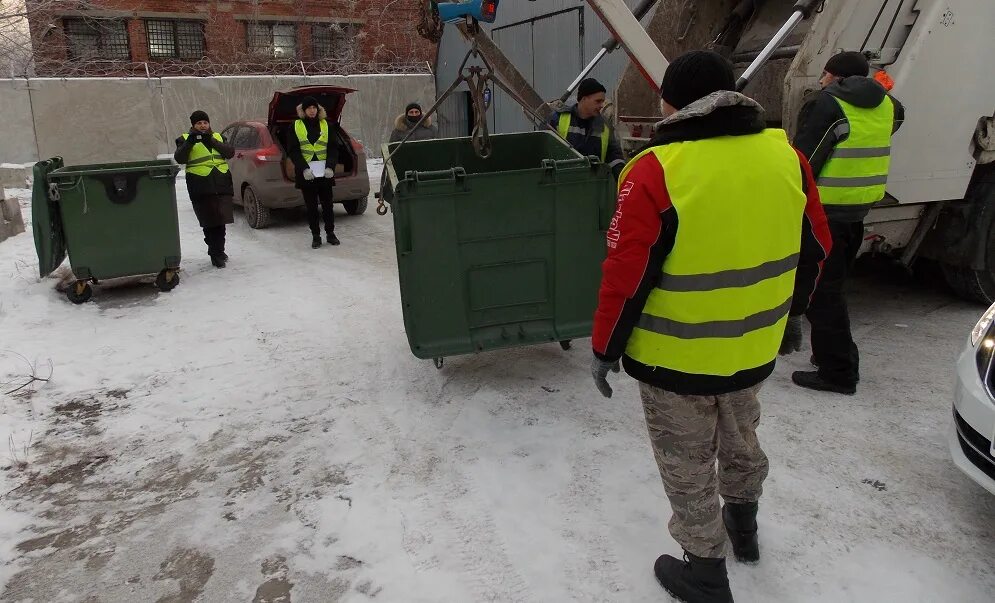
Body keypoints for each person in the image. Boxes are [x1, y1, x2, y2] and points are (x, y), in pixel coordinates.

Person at [590, 51, 832, 602]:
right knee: (743, 439)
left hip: (674, 359)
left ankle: (703, 572)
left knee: (687, 464)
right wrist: (792, 315)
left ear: (672, 105)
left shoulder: (656, 170)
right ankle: (743, 531)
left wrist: (605, 347)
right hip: (752, 347)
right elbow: (817, 247)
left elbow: (626, 275)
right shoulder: (786, 158)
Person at [792, 51, 905, 394]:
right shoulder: (889, 105)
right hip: (858, 210)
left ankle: (838, 372)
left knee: (822, 292)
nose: (822, 80)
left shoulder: (828, 105)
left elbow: (804, 161)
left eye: (826, 73)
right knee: (834, 285)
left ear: (838, 77)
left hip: (825, 214)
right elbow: (895, 121)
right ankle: (828, 354)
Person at [174, 110, 235, 268]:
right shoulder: (185, 139)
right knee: (209, 222)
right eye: (199, 123)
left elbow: (230, 152)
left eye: (205, 122)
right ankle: (214, 253)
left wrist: (212, 141)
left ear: (209, 123)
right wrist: (191, 142)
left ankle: (220, 250)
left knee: (221, 220)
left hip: (221, 183)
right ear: (193, 125)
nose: (202, 126)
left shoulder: (218, 137)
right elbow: (180, 158)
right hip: (201, 185)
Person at [288, 96, 340, 249]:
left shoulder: (326, 125)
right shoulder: (295, 126)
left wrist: (330, 166)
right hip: (307, 173)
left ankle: (330, 234)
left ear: (318, 109)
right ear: (304, 111)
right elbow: (293, 150)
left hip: (324, 172)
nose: (312, 110)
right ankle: (316, 236)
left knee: (328, 205)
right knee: (311, 207)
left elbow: (333, 148)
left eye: (314, 107)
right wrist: (303, 168)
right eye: (309, 108)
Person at [548, 78, 625, 178]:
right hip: (562, 183)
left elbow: (614, 156)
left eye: (602, 101)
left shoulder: (604, 126)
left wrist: (622, 177)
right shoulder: (558, 119)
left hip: (593, 186)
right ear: (584, 99)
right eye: (598, 101)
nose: (601, 105)